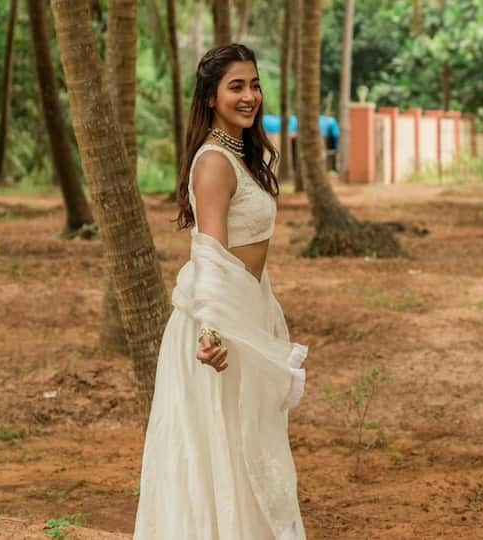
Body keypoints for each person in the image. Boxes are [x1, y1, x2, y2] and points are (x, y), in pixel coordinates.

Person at [133, 44, 308, 540]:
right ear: (211, 97)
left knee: (248, 447)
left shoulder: (242, 156)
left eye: (254, 85)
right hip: (217, 331)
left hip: (242, 318)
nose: (250, 95)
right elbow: (209, 253)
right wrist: (212, 331)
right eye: (236, 86)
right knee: (220, 454)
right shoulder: (214, 162)